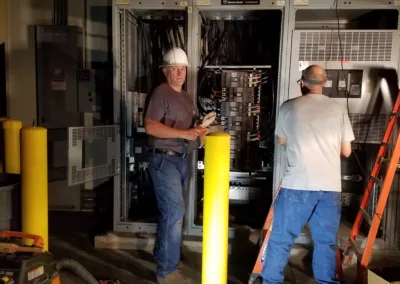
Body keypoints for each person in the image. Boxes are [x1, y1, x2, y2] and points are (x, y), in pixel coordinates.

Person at [261, 65, 355, 284]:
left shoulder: (289, 107)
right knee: (326, 243)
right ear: (324, 83)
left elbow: (282, 141)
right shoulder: (338, 108)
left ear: (302, 83)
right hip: (329, 188)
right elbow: (347, 151)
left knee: (282, 239)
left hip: (297, 184)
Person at [144, 47, 207, 284]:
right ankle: (166, 272)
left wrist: (200, 131)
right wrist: (185, 133)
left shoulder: (186, 97)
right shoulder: (161, 93)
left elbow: (189, 132)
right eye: (174, 69)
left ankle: (164, 255)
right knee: (175, 212)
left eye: (182, 69)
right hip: (164, 159)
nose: (179, 73)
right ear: (165, 71)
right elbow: (150, 126)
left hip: (181, 159)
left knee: (171, 213)